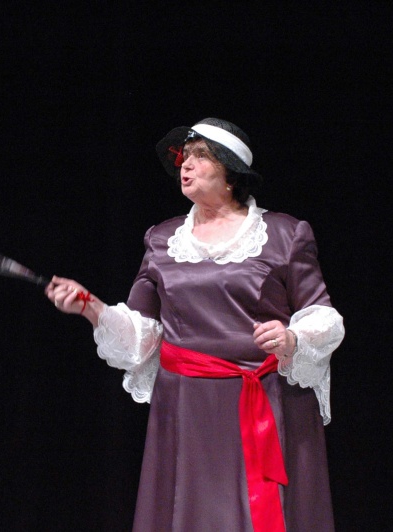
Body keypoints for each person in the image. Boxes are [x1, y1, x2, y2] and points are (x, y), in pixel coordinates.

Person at [46, 118, 345, 531]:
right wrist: (91, 306)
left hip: (265, 398)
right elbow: (141, 334)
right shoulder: (162, 240)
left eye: (201, 156)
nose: (185, 165)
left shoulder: (284, 234)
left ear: (231, 172)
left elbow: (323, 316)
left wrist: (292, 337)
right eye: (185, 157)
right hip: (186, 405)